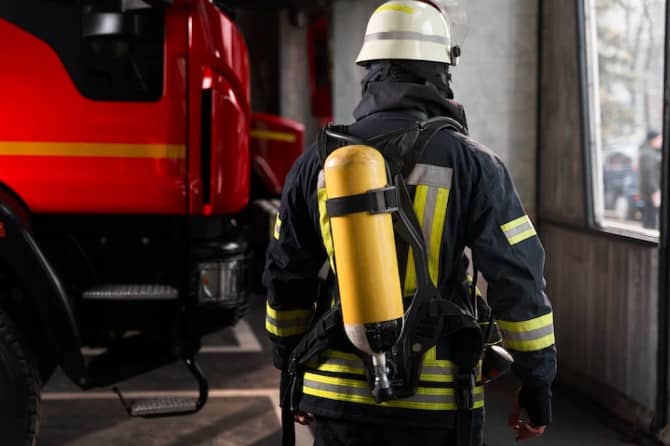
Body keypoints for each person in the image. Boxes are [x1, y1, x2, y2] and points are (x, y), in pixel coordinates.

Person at [263, 1, 556, 444]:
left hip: (336, 393)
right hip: (437, 402)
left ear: (369, 72)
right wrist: (536, 387)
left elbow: (285, 277)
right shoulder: (474, 164)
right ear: (441, 73)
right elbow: (518, 280)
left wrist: (291, 369)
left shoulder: (318, 162)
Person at [638, 130, 663, 230]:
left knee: (649, 219)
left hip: (649, 191)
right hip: (650, 192)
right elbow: (649, 175)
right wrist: (654, 191)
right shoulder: (648, 154)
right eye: (659, 139)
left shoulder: (649, 152)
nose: (661, 141)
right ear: (653, 140)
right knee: (650, 221)